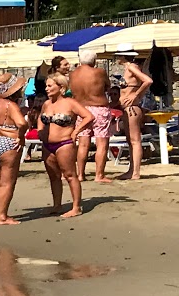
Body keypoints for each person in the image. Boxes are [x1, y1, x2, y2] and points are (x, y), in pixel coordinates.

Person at [39, 73, 92, 217]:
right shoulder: (47, 104)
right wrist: (39, 131)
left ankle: (76, 207)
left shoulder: (70, 103)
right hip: (47, 145)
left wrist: (76, 131)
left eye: (50, 86)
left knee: (70, 175)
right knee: (53, 176)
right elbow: (40, 117)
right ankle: (57, 205)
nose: (47, 89)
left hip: (65, 143)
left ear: (61, 87)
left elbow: (89, 116)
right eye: (46, 86)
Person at [0, 74, 27, 225]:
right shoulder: (11, 105)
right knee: (8, 183)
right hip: (9, 144)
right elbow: (22, 123)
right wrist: (21, 137)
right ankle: (2, 217)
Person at [70, 50, 116, 183]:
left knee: (83, 144)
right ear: (94, 61)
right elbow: (108, 86)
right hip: (99, 107)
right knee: (101, 143)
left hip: (81, 109)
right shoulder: (99, 72)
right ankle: (99, 175)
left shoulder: (73, 75)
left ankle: (80, 174)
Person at [117, 53, 154, 181]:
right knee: (131, 140)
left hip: (132, 108)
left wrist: (135, 95)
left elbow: (148, 81)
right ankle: (132, 170)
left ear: (122, 56)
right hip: (129, 108)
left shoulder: (132, 67)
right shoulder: (129, 68)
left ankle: (136, 172)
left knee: (135, 140)